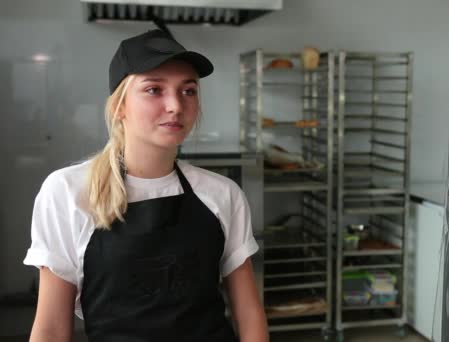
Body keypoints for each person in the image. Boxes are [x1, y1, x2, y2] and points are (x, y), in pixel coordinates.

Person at [23, 29, 268, 342]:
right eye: (154, 89)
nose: (176, 105)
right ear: (119, 106)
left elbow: (249, 314)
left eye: (188, 91)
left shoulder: (222, 194)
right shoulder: (68, 192)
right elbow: (52, 330)